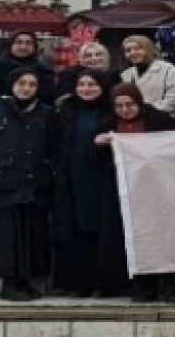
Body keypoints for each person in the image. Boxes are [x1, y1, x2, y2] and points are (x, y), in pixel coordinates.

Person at [94, 83, 175, 302]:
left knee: (164, 237)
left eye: (130, 104)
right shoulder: (108, 125)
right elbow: (97, 163)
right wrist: (97, 145)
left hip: (157, 191)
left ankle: (171, 283)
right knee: (136, 239)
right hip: (125, 192)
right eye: (119, 106)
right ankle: (144, 284)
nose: (125, 110)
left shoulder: (158, 120)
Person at [0, 69, 55, 301]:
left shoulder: (45, 112)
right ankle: (9, 283)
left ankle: (27, 280)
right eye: (21, 83)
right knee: (6, 235)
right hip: (3, 181)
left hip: (35, 182)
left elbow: (53, 145)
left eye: (31, 84)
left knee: (33, 233)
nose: (26, 89)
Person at [51, 69, 124, 297]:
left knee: (102, 230)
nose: (86, 89)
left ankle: (106, 283)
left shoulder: (113, 111)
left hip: (102, 179)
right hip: (71, 179)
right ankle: (78, 283)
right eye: (82, 85)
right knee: (74, 229)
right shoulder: (67, 110)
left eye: (92, 85)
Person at [120, 35, 175, 119]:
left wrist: (147, 112)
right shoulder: (125, 74)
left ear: (148, 49)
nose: (132, 53)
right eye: (128, 50)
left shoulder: (168, 69)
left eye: (137, 49)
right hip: (134, 121)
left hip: (162, 120)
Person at [0, 32, 56, 103]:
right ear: (11, 45)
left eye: (28, 43)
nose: (23, 47)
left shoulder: (42, 70)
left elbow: (47, 96)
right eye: (19, 42)